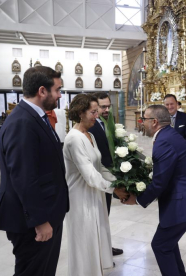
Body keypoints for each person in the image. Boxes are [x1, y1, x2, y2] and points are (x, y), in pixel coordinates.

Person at [0, 66, 69, 276]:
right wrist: (40, 221)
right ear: (42, 91)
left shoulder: (35, 117)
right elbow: (24, 177)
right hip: (32, 220)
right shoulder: (23, 122)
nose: (60, 95)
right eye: (57, 90)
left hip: (44, 213)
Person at [124, 105, 186, 276]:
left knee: (161, 246)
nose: (142, 123)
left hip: (184, 201)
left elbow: (160, 182)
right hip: (185, 198)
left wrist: (138, 199)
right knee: (168, 244)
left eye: (144, 119)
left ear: (154, 122)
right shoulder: (168, 135)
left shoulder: (164, 141)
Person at [63, 94, 128, 276]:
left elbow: (99, 167)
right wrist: (114, 189)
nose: (97, 115)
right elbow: (90, 176)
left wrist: (120, 182)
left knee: (95, 239)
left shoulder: (89, 134)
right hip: (80, 198)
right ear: (80, 113)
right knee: (84, 242)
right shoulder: (74, 138)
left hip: (95, 195)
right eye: (93, 112)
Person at [88, 91, 124, 256]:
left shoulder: (107, 121)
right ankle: (100, 252)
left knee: (105, 214)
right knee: (98, 217)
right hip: (99, 176)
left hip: (109, 174)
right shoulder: (91, 125)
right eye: (103, 107)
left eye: (108, 106)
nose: (106, 110)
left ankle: (105, 248)